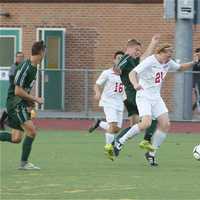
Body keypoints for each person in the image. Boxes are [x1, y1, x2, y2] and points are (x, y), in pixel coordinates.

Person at [113, 43, 195, 166]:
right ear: (160, 52)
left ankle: (151, 153)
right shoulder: (150, 61)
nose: (170, 56)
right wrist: (135, 84)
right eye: (168, 54)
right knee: (146, 123)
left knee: (166, 124)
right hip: (144, 95)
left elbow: (180, 68)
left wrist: (193, 62)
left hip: (156, 97)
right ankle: (120, 141)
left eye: (171, 54)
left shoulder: (167, 62)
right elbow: (132, 73)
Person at [110, 35, 160, 158]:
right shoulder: (126, 58)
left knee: (136, 125)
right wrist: (117, 67)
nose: (138, 53)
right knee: (152, 116)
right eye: (136, 50)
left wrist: (152, 43)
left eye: (139, 50)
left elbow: (145, 57)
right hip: (133, 95)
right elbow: (117, 69)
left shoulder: (134, 60)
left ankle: (116, 143)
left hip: (131, 96)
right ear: (129, 48)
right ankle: (146, 141)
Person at [0, 41, 45, 170]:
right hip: (15, 104)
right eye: (44, 53)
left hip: (20, 103)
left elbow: (25, 89)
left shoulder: (34, 67)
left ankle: (24, 163)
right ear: (41, 52)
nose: (44, 55)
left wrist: (30, 103)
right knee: (32, 131)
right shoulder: (25, 67)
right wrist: (35, 99)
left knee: (16, 138)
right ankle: (24, 163)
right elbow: (18, 91)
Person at [89, 51, 125, 160]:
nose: (120, 60)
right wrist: (97, 92)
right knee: (113, 125)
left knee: (116, 129)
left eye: (122, 58)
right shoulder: (107, 73)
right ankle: (108, 147)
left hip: (119, 103)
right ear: (114, 60)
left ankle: (99, 123)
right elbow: (97, 84)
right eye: (118, 58)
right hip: (108, 102)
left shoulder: (127, 74)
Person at [0, 52, 24, 130]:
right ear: (16, 58)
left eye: (22, 57)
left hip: (20, 91)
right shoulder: (14, 67)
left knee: (17, 107)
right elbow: (12, 80)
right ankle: (4, 121)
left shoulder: (23, 67)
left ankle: (4, 121)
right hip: (14, 91)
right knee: (12, 107)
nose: (20, 58)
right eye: (19, 57)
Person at [192, 48, 200, 112]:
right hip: (197, 82)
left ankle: (191, 109)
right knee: (198, 97)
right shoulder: (195, 62)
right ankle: (193, 109)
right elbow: (194, 69)